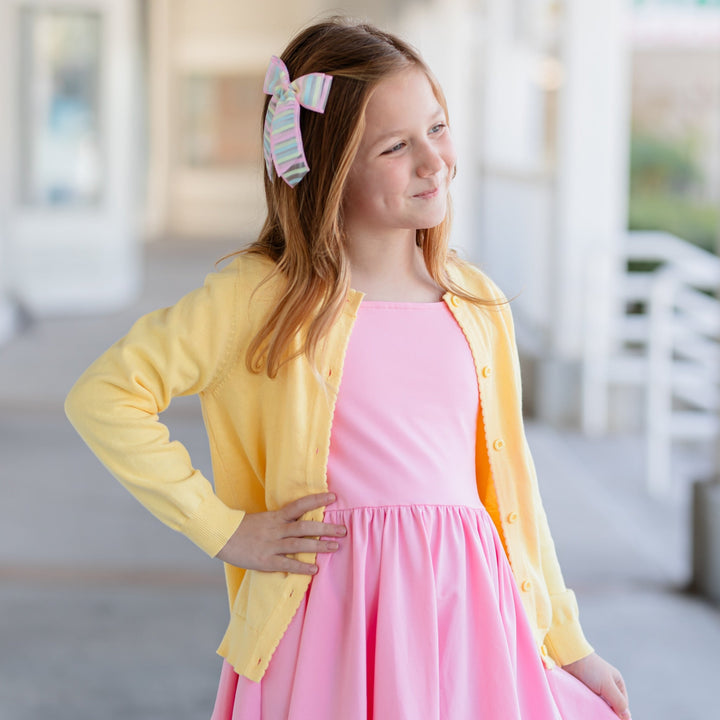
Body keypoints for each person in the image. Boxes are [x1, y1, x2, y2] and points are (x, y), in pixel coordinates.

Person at [65, 16, 632, 720]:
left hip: (469, 618)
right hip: (329, 625)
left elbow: (517, 494)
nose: (434, 160)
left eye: (438, 126)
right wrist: (224, 528)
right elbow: (105, 395)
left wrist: (570, 644)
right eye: (396, 146)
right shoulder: (260, 296)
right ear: (330, 172)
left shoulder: (478, 302)